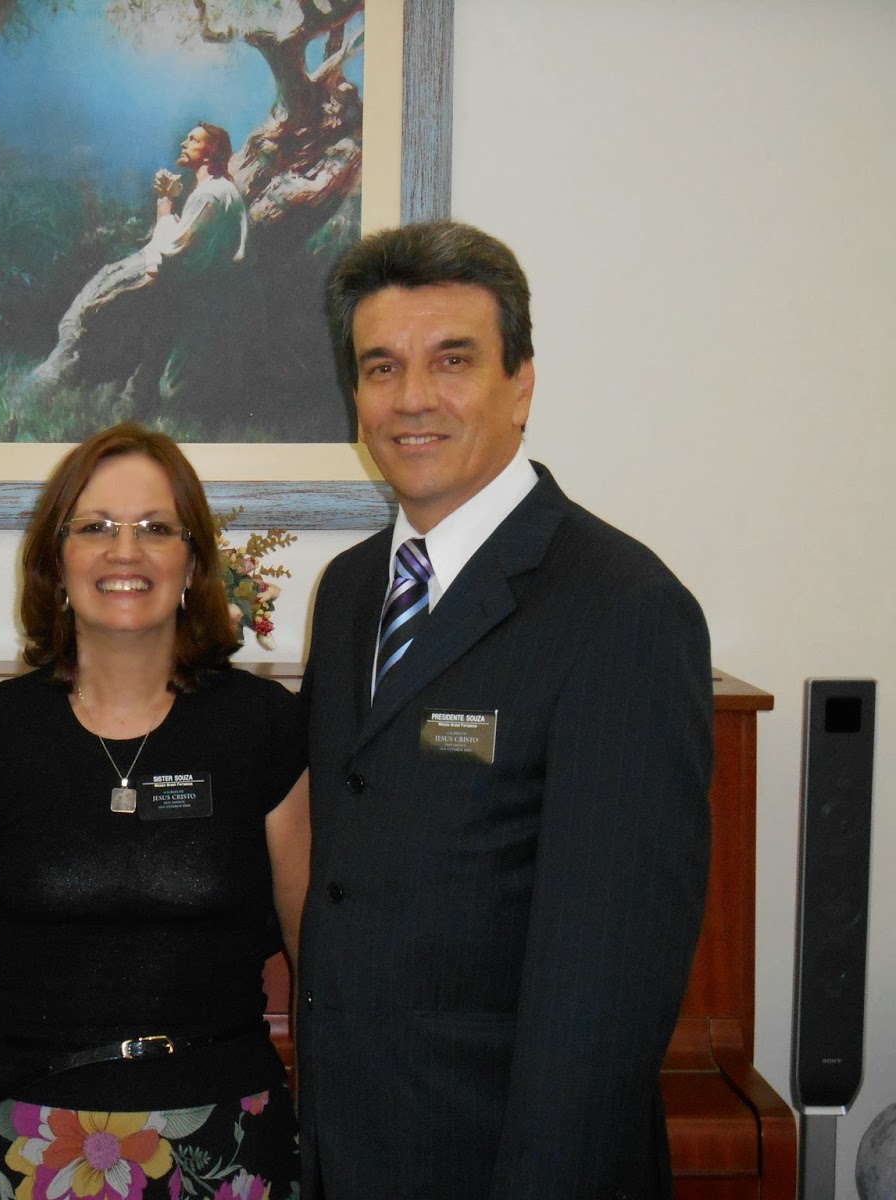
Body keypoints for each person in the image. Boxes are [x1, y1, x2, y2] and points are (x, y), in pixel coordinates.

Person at [299, 220, 713, 1198]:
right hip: (354, 1148)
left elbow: (608, 985)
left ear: (520, 384)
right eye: (381, 367)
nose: (412, 398)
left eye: (452, 361)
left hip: (509, 1163)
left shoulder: (623, 608)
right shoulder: (351, 590)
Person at [0, 423, 310, 1199]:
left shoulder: (264, 729)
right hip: (27, 1142)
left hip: (232, 1142)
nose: (126, 551)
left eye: (155, 528)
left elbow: (316, 957)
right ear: (55, 562)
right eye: (94, 527)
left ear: (193, 562)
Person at [133, 123, 250, 426]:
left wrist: (164, 206)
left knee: (176, 390)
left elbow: (174, 252)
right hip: (217, 303)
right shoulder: (220, 190)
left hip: (206, 306)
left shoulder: (209, 195)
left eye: (193, 139)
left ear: (210, 153)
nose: (184, 143)